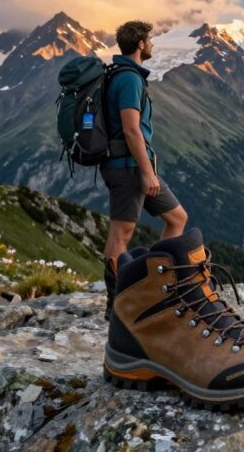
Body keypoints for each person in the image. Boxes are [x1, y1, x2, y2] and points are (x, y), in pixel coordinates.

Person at [100, 20, 188, 290]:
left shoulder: (124, 74)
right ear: (140, 44)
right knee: (121, 234)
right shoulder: (128, 78)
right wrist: (148, 173)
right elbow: (131, 129)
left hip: (136, 165)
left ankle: (153, 283)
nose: (152, 44)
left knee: (177, 218)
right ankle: (116, 300)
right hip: (127, 167)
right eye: (149, 40)